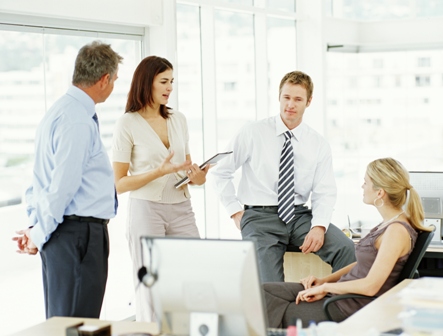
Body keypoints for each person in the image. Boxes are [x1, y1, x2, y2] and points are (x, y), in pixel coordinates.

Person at [12, 41, 122, 318]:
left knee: (63, 323)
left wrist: (36, 227)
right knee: (77, 325)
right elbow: (62, 188)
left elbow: (39, 181)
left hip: (65, 236)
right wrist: (37, 233)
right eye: (115, 80)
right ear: (104, 79)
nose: (113, 86)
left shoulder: (59, 112)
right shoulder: (77, 121)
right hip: (78, 237)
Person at [212, 70, 356, 283]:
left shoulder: (317, 143)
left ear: (308, 102)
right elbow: (220, 171)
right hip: (260, 218)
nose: (290, 104)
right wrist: (234, 212)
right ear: (279, 97)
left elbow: (324, 191)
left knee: (346, 248)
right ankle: (279, 316)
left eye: (298, 99)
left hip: (298, 216)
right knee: (271, 287)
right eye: (286, 97)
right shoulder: (253, 132)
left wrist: (319, 226)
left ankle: (341, 308)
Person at [263, 157, 433, 327]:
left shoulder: (396, 231)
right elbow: (362, 264)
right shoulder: (388, 224)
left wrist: (325, 288)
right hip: (339, 295)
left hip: (347, 307)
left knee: (268, 309)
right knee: (263, 292)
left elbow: (371, 286)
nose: (362, 187)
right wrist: (324, 281)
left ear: (380, 192)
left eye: (365, 182)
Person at [112, 55, 208, 322]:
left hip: (181, 207)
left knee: (195, 275)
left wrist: (198, 177)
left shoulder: (179, 119)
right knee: (150, 285)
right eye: (164, 81)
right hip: (147, 210)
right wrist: (158, 171)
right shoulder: (127, 123)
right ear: (147, 83)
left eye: (172, 82)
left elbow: (186, 167)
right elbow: (119, 183)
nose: (170, 88)